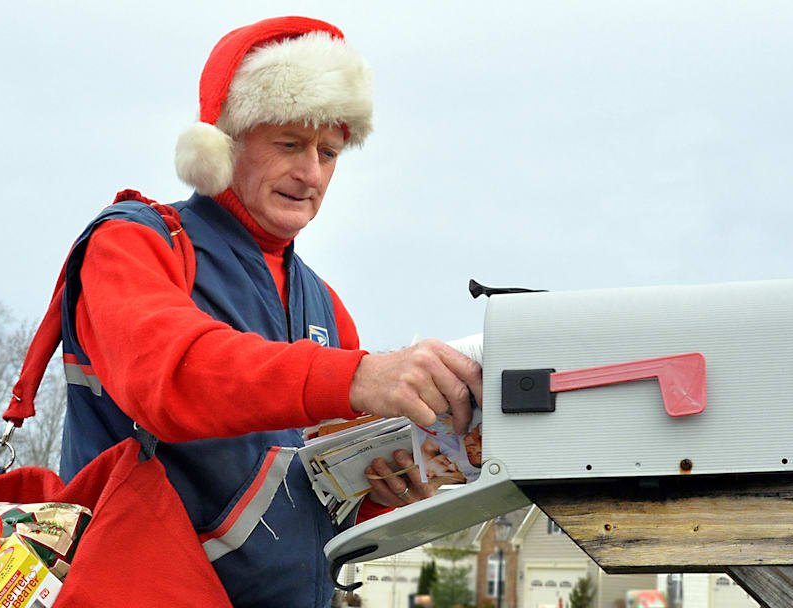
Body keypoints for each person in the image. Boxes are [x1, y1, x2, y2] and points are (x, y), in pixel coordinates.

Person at [52, 16, 482, 608]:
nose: (311, 174)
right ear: (224, 141)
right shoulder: (133, 243)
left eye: (329, 153)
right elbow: (171, 374)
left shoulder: (323, 303)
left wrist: (391, 484)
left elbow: (326, 487)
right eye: (289, 145)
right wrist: (359, 376)